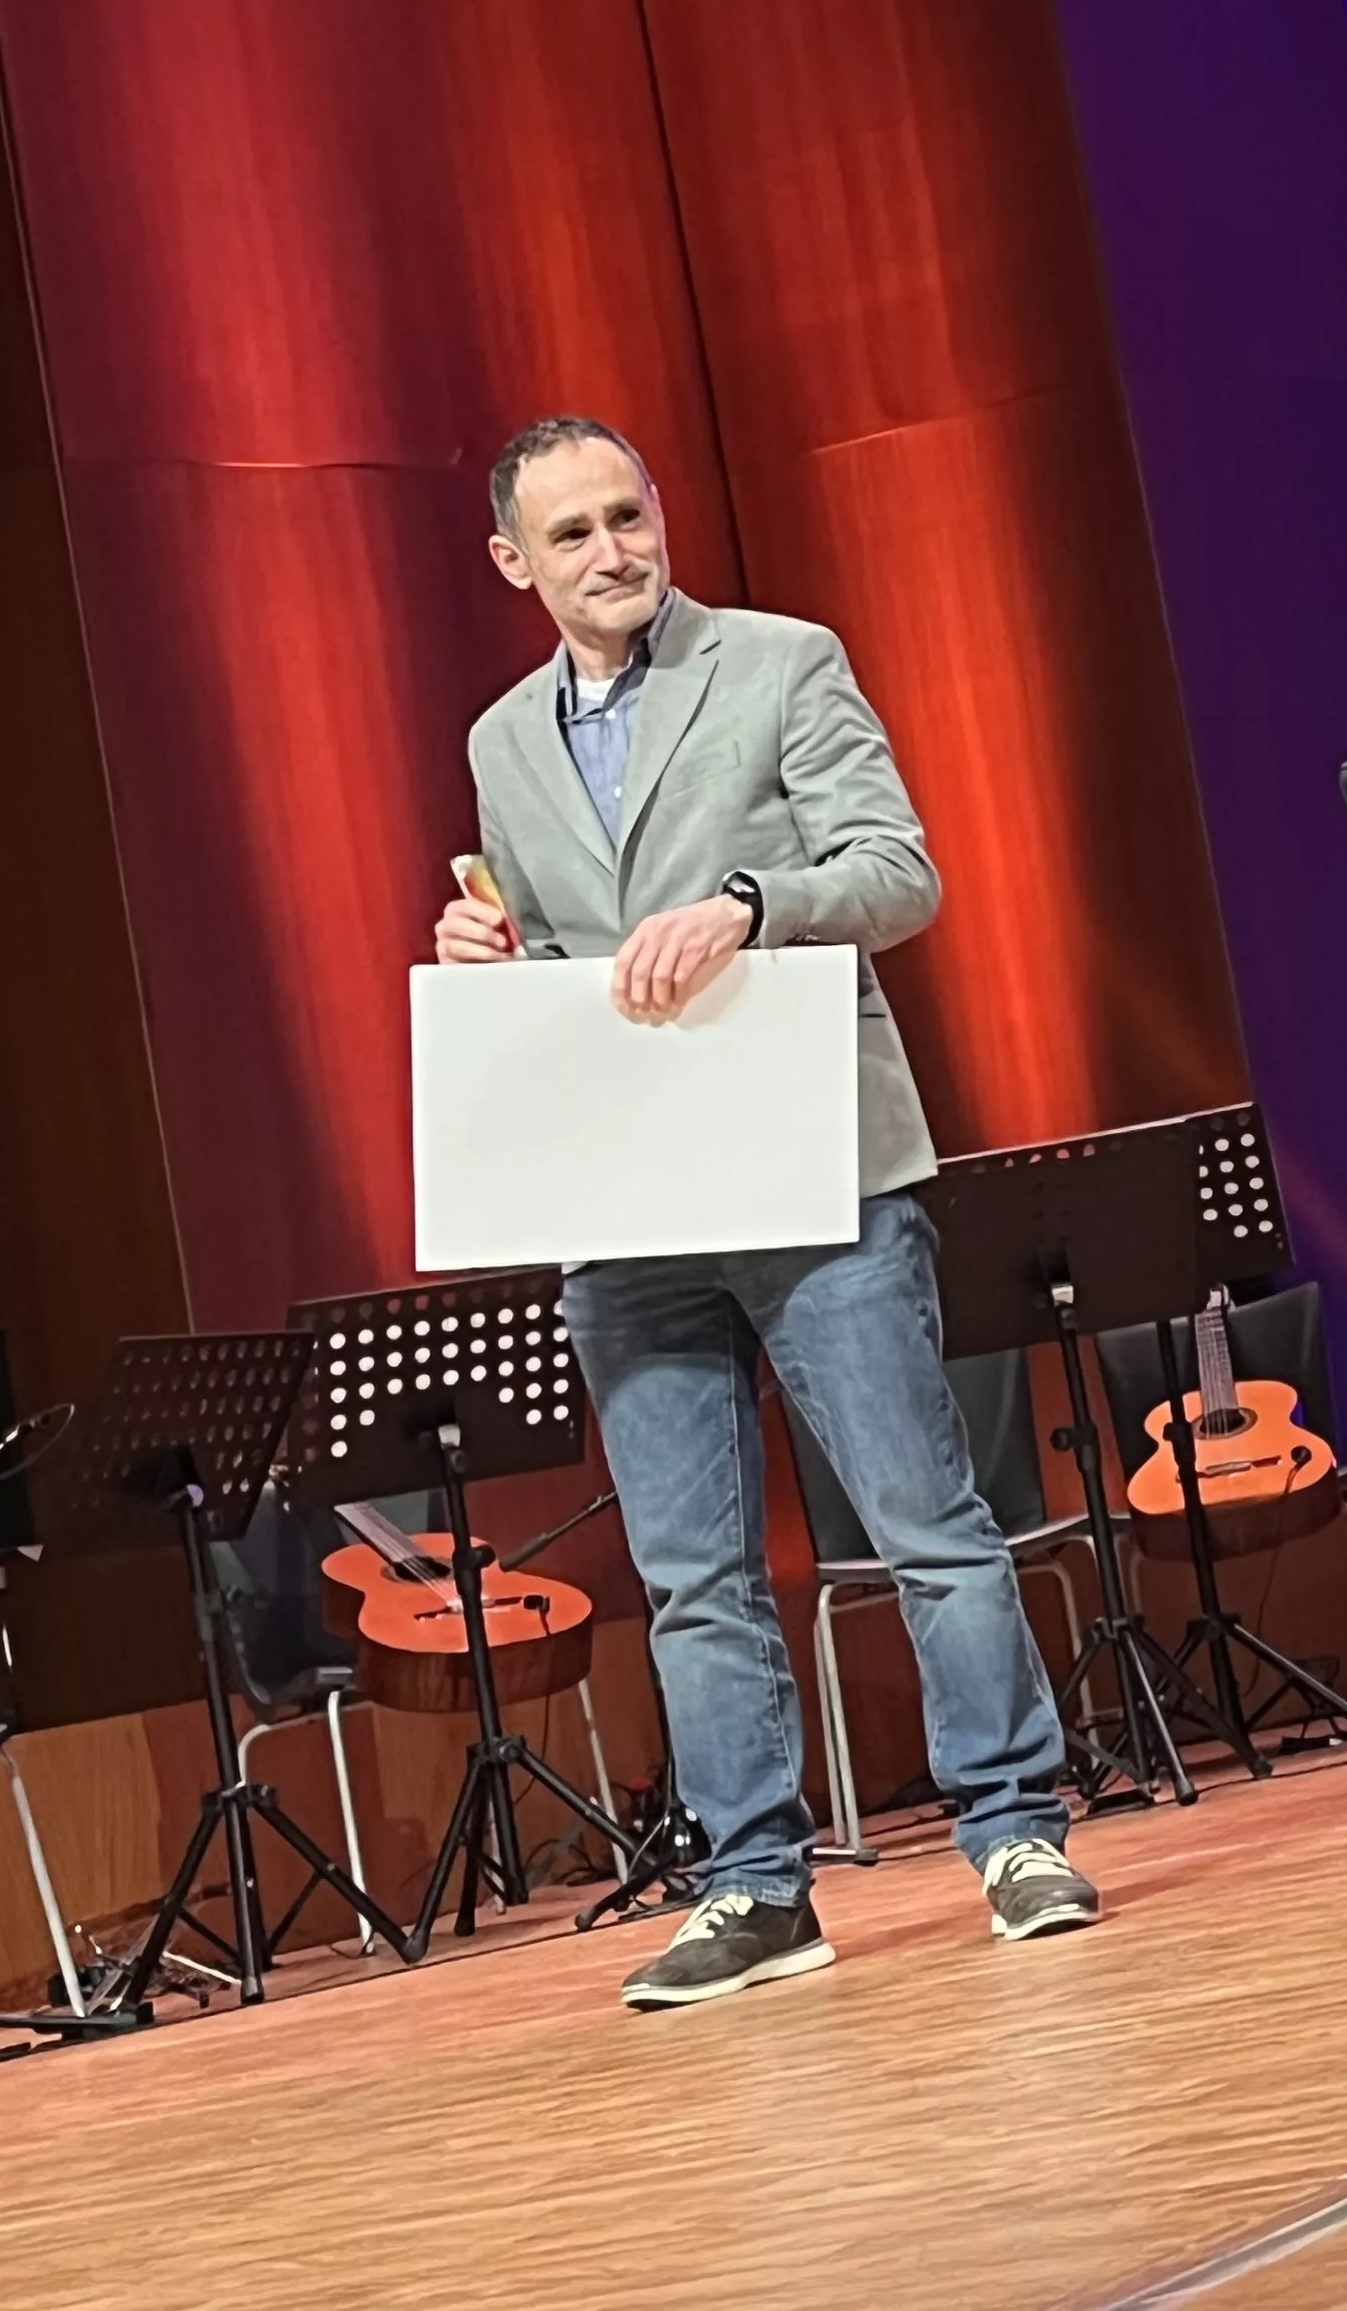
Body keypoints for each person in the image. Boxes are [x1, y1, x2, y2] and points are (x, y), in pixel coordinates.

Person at [435, 416, 1097, 2007]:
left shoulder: (783, 662)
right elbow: (554, 959)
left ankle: (1013, 1828)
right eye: (574, 534)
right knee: (690, 1572)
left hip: (817, 1164)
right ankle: (753, 1881)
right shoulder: (499, 741)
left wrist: (750, 905)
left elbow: (901, 873)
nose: (615, 552)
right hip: (631, 1193)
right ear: (515, 564)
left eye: (629, 515)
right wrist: (491, 968)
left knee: (923, 1522)